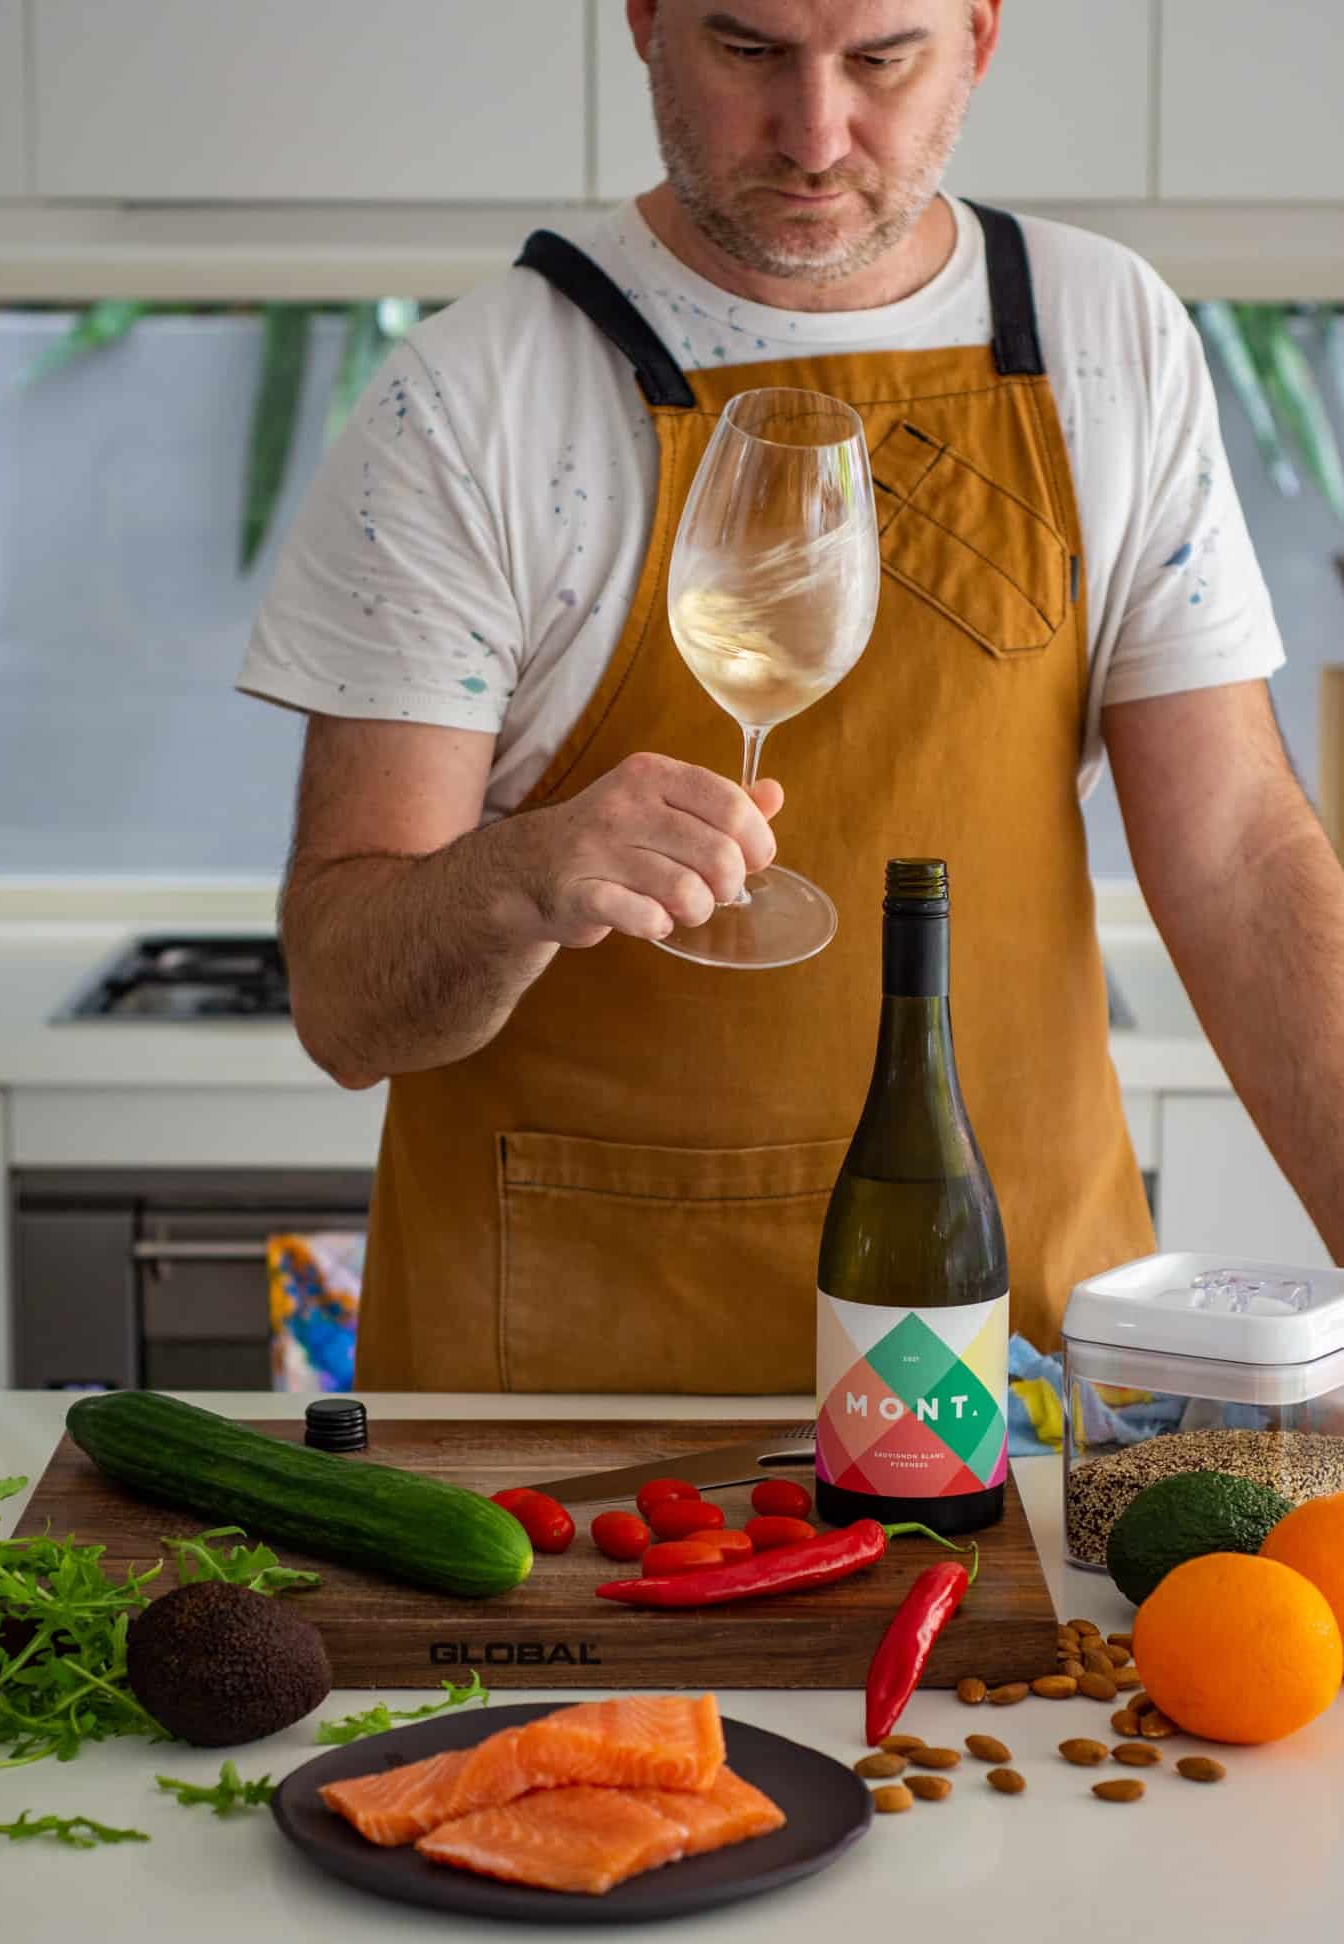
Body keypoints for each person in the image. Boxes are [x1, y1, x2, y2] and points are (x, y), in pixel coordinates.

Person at [237, 0, 1327, 1399]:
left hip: (1010, 1363)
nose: (816, 135)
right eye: (747, 51)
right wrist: (519, 877)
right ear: (644, 23)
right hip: (577, 1403)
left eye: (884, 58)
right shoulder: (473, 402)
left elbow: (1237, 858)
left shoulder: (1099, 333)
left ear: (980, 36)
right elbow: (345, 1007)